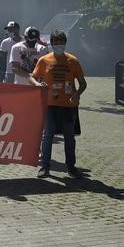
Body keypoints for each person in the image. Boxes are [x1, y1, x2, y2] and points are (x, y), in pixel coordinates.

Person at [31, 30, 87, 179]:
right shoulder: (44, 60)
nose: (58, 44)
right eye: (55, 42)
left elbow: (82, 83)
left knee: (69, 137)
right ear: (51, 42)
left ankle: (71, 167)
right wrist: (38, 84)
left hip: (69, 105)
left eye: (61, 41)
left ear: (65, 43)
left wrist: (77, 93)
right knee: (47, 135)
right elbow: (33, 77)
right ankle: (44, 167)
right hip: (49, 104)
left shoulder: (73, 61)